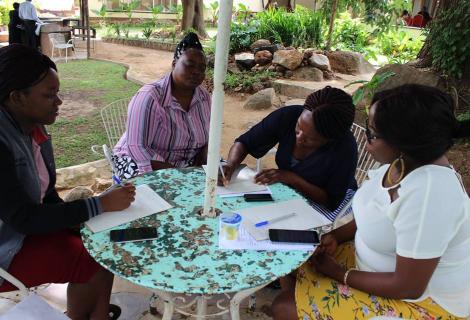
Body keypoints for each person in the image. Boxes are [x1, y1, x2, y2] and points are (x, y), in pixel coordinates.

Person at [271, 84, 470, 320]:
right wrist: (336, 236)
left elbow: (408, 286)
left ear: (404, 143)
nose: (365, 141)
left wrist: (339, 274)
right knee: (291, 261)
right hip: (372, 265)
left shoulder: (430, 194)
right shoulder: (400, 163)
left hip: (422, 302)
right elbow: (376, 213)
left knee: (284, 307)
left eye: (372, 134)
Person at [0, 44, 136, 320]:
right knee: (92, 260)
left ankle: (92, 313)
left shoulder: (34, 129)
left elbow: (47, 195)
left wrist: (79, 220)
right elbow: (24, 218)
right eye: (50, 95)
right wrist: (98, 205)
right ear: (17, 98)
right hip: (7, 247)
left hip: (25, 231)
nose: (59, 102)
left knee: (104, 241)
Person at [222, 86, 358, 216]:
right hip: (291, 190)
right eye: (298, 127)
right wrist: (230, 165)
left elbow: (331, 202)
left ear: (329, 139)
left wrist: (291, 178)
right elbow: (244, 143)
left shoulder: (345, 148)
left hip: (328, 200)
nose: (299, 138)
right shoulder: (288, 116)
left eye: (310, 139)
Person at [113, 32, 210, 179]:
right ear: (174, 64)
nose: (197, 72)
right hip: (141, 161)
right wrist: (177, 174)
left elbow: (209, 138)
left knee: (220, 178)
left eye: (202, 68)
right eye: (190, 65)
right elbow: (137, 148)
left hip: (185, 163)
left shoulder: (204, 97)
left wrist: (201, 165)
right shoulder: (150, 97)